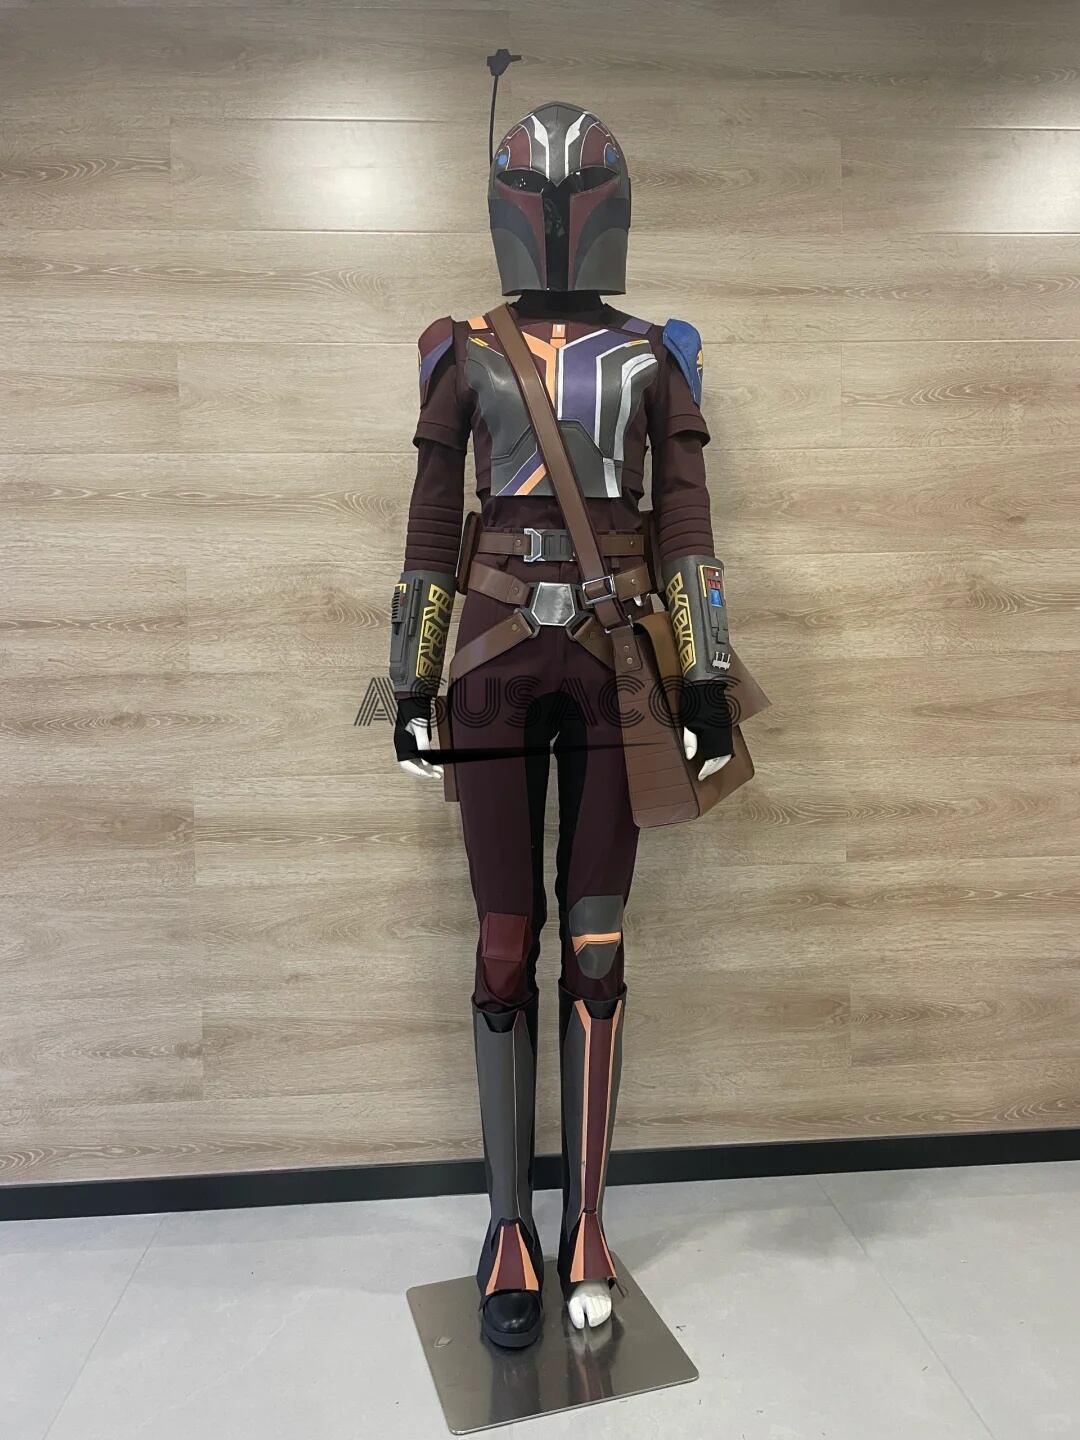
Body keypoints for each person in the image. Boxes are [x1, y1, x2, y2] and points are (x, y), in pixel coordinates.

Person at [389, 101, 734, 1349]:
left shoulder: (658, 352)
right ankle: (507, 1225)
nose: (551, 210)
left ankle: (586, 1220)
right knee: (501, 939)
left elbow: (684, 520)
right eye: (535, 190)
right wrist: (407, 682)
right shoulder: (460, 349)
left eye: (571, 189)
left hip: (614, 661)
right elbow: (435, 522)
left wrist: (703, 675)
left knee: (595, 938)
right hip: (488, 657)